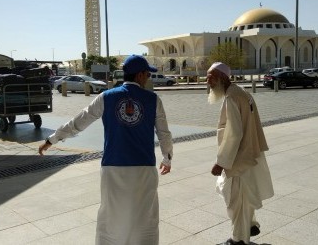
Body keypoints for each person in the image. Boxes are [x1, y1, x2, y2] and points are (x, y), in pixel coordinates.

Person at [38, 54, 173, 245]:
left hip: (113, 167)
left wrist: (52, 139)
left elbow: (79, 121)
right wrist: (167, 158)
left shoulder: (106, 97)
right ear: (140, 75)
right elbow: (164, 133)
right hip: (143, 167)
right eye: (148, 74)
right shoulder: (153, 99)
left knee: (111, 217)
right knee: (145, 217)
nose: (148, 78)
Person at [206, 62, 274, 245]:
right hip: (250, 153)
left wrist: (221, 162)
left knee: (236, 201)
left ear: (221, 77)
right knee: (245, 196)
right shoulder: (242, 92)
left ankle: (238, 240)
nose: (207, 81)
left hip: (239, 158)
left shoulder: (231, 98)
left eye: (210, 76)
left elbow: (234, 133)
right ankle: (250, 224)